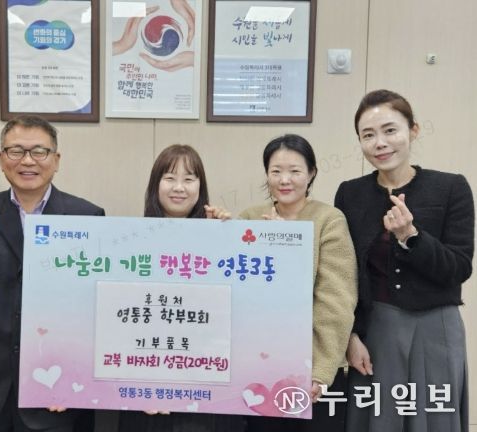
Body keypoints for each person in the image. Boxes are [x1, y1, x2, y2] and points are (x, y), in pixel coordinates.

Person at [0, 115, 103, 432]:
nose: (28, 161)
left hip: (54, 385)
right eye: (16, 151)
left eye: (39, 151)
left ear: (56, 160)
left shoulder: (86, 216)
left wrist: (76, 375)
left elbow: (93, 304)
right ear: (1, 159)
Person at [337, 90, 474, 432]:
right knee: (377, 419)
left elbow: (459, 267)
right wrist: (350, 336)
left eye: (390, 130)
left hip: (436, 328)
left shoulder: (451, 187)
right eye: (368, 135)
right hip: (376, 331)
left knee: (436, 419)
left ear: (413, 130)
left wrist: (411, 236)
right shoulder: (350, 193)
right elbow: (343, 273)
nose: (380, 143)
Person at [118, 144, 245, 432]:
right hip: (144, 383)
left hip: (205, 384)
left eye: (189, 179)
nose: (179, 187)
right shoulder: (128, 240)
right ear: (156, 184)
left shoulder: (222, 235)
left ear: (201, 187)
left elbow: (235, 307)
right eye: (169, 178)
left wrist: (224, 236)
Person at [242, 134, 357, 432]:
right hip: (260, 367)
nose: (285, 180)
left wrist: (321, 370)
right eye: (276, 171)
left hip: (314, 368)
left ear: (311, 173)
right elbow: (241, 295)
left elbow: (336, 300)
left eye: (295, 171)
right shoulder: (250, 219)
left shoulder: (329, 219)